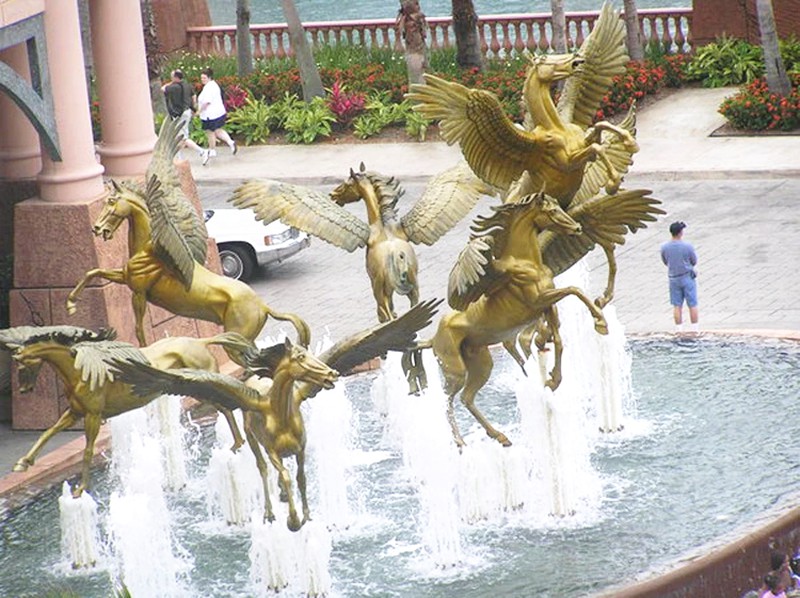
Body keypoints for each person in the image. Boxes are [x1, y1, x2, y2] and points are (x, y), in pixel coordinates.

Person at [660, 220, 698, 332]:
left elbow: (665, 261)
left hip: (673, 278)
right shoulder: (687, 246)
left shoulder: (665, 247)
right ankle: (695, 329)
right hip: (687, 276)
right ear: (680, 232)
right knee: (692, 303)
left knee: (676, 305)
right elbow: (694, 260)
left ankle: (678, 329)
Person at [196, 67, 237, 166]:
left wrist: (198, 111)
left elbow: (207, 102)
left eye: (204, 78)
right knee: (217, 130)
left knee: (210, 131)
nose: (202, 80)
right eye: (201, 78)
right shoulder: (213, 85)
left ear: (209, 77)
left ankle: (212, 149)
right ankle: (230, 142)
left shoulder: (209, 87)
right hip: (218, 112)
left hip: (210, 114)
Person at [161, 69, 205, 159]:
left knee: (183, 137)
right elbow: (194, 96)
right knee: (179, 136)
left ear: (175, 77)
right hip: (187, 111)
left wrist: (170, 83)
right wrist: (194, 107)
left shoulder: (173, 87)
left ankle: (202, 151)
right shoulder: (187, 85)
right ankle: (179, 157)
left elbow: (162, 89)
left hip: (179, 114)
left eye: (172, 77)